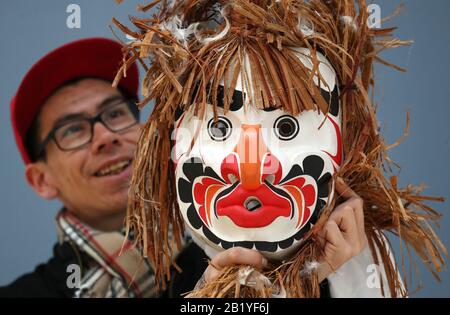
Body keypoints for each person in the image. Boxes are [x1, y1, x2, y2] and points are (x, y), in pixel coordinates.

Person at [116, 0, 446, 298]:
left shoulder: (370, 275)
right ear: (170, 147)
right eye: (219, 128)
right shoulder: (160, 281)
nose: (251, 167)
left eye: (286, 128)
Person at [0, 37, 207, 298]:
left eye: (114, 113)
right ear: (42, 180)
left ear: (144, 130)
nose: (105, 137)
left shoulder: (239, 256)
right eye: (73, 129)